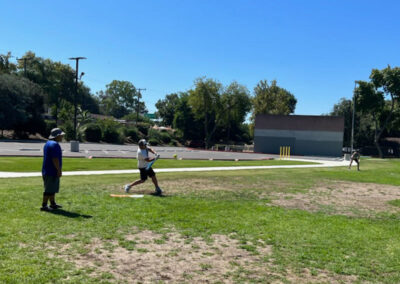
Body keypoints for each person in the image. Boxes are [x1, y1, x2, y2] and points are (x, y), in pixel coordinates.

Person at [40, 128, 65, 211]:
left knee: (52, 188)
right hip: (51, 170)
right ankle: (44, 206)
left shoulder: (48, 143)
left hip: (46, 170)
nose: (62, 137)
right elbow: (55, 159)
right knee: (49, 189)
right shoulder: (55, 145)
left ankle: (52, 203)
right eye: (61, 135)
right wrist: (59, 170)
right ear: (57, 136)